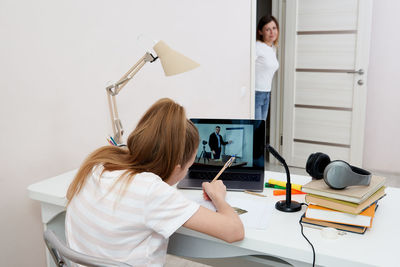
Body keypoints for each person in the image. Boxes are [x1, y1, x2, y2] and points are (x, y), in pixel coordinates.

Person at [65, 98, 244, 266]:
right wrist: (219, 196)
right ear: (176, 167)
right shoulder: (151, 191)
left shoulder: (99, 164)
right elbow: (234, 231)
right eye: (188, 166)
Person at [255, 15, 280, 121]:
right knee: (257, 130)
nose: (272, 32)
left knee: (261, 128)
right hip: (256, 93)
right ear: (260, 32)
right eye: (267, 29)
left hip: (266, 93)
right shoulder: (257, 46)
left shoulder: (272, 48)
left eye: (274, 28)